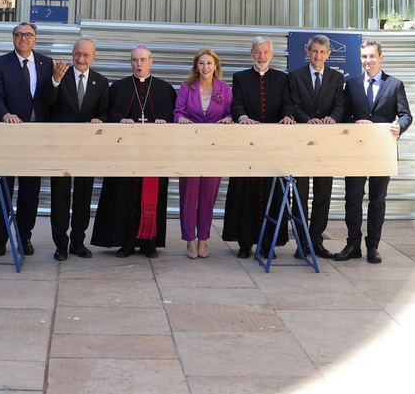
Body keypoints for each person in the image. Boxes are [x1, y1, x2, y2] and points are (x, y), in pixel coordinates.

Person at [91, 46, 177, 258]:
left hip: (153, 153)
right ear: (130, 63)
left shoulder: (164, 88)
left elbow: (173, 118)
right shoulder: (119, 88)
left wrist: (163, 121)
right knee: (123, 196)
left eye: (142, 60)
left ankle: (150, 243)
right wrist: (120, 119)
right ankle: (125, 242)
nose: (138, 64)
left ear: (151, 62)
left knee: (152, 196)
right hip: (125, 152)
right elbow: (108, 113)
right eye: (134, 60)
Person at [332, 40, 411, 265]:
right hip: (356, 151)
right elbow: (343, 113)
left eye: (372, 56)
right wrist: (355, 122)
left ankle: (373, 246)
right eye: (364, 57)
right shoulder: (352, 84)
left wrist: (399, 126)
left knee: (377, 200)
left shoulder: (394, 85)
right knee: (353, 199)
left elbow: (406, 115)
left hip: (381, 151)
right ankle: (353, 244)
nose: (368, 61)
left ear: (381, 57)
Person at [0, 23, 59, 256]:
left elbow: (50, 99)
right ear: (13, 39)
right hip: (6, 134)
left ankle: (24, 236)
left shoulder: (47, 64)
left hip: (35, 136)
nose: (23, 38)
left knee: (30, 190)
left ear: (35, 39)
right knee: (1, 188)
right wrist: (5, 114)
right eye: (18, 35)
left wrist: (56, 80)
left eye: (28, 35)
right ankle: (0, 239)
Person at [221, 37, 295, 258]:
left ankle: (268, 243)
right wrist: (242, 116)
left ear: (271, 54)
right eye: (257, 52)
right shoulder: (241, 77)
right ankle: (245, 243)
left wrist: (288, 116)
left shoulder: (282, 78)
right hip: (248, 145)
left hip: (273, 144)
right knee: (245, 193)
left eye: (265, 52)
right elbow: (236, 103)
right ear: (251, 54)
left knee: (273, 192)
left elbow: (287, 102)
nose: (261, 56)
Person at [40, 37, 108, 261]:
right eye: (77, 54)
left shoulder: (101, 81)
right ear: (72, 54)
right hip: (61, 146)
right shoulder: (60, 75)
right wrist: (56, 81)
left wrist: (100, 119)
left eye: (86, 55)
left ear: (93, 57)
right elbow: (46, 103)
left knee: (83, 196)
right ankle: (61, 244)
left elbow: (105, 111)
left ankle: (78, 242)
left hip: (87, 148)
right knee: (60, 197)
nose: (80, 59)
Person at [282, 34, 349, 259]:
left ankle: (316, 241)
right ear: (308, 52)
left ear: (329, 54)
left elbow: (340, 105)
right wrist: (306, 119)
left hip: (326, 144)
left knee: (323, 192)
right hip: (302, 141)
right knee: (299, 194)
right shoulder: (295, 76)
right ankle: (302, 243)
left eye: (322, 52)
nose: (318, 55)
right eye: (314, 51)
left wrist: (333, 118)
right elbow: (293, 105)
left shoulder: (336, 78)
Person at [174, 49, 233, 259]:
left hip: (213, 150)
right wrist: (180, 118)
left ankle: (204, 240)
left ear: (216, 66)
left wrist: (228, 119)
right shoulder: (186, 87)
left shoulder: (224, 89)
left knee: (208, 195)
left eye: (209, 63)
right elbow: (178, 111)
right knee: (189, 194)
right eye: (201, 64)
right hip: (190, 148)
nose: (205, 67)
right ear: (196, 67)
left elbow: (229, 112)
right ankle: (190, 240)